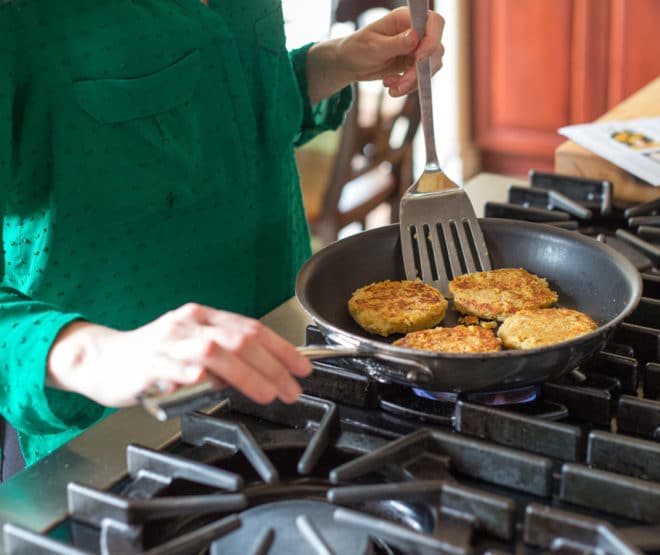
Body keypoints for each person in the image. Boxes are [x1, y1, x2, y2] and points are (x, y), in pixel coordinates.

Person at [0, 0, 444, 478]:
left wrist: (333, 62)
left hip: (300, 390)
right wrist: (93, 353)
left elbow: (222, 112)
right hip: (126, 447)